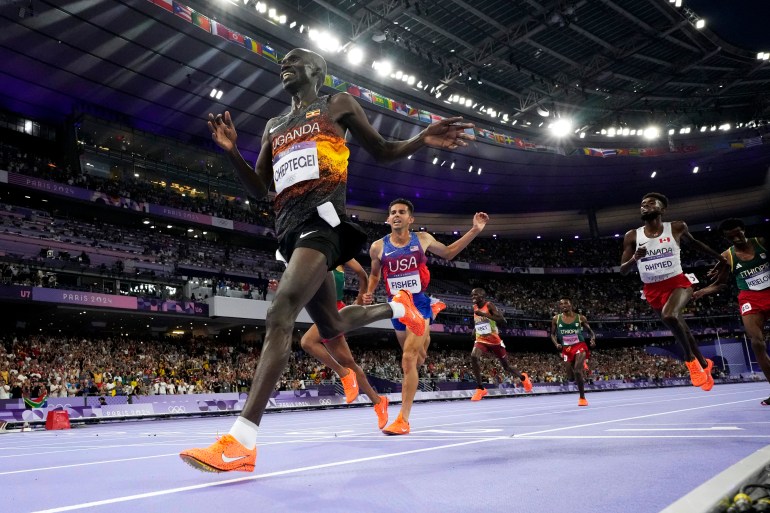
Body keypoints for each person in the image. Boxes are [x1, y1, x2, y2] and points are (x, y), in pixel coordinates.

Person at [180, 48, 475, 473]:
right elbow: (260, 187)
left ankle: (242, 441)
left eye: (294, 60)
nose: (284, 65)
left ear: (316, 70)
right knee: (332, 325)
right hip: (289, 232)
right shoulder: (274, 126)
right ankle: (399, 306)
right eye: (281, 61)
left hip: (324, 225)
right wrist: (232, 151)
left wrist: (420, 138)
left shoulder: (336, 104)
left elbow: (384, 149)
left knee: (280, 311)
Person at [365, 198, 488, 435]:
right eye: (393, 212)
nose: (397, 215)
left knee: (408, 360)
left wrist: (474, 230)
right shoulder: (377, 247)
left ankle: (403, 419)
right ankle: (432, 315)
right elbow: (374, 274)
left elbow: (450, 253)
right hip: (398, 307)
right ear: (388, 219)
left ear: (410, 219)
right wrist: (369, 292)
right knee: (419, 358)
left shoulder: (422, 239)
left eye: (402, 212)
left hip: (418, 303)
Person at [619, 192, 727, 392]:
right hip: (652, 289)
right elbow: (622, 270)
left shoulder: (676, 227)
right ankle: (705, 365)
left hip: (678, 282)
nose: (645, 207)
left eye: (651, 203)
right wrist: (634, 258)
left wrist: (720, 258)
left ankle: (690, 361)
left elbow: (695, 244)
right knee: (682, 329)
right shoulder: (632, 235)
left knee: (669, 315)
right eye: (642, 204)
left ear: (662, 209)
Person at [274, 258, 390, 429]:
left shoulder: (339, 255)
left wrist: (359, 301)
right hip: (321, 313)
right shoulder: (304, 261)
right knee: (348, 362)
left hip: (336, 311)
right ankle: (379, 401)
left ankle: (344, 375)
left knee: (307, 342)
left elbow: (362, 274)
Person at [693, 218, 770, 405]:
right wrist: (700, 292)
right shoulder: (727, 256)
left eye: (738, 233)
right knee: (757, 343)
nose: (736, 238)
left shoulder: (762, 242)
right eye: (731, 237)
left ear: (744, 230)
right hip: (750, 298)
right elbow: (720, 284)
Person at [468, 288, 532, 400]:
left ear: (482, 296)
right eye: (472, 295)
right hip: (481, 339)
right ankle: (480, 389)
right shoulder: (474, 307)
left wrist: (485, 314)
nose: (473, 297)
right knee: (473, 356)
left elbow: (502, 320)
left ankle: (523, 378)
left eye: (475, 295)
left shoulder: (489, 305)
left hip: (494, 341)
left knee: (506, 366)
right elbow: (479, 321)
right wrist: (475, 329)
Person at [550, 298, 596, 406]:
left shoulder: (580, 318)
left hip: (579, 345)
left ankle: (582, 398)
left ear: (571, 305)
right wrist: (556, 344)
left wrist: (593, 338)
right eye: (561, 304)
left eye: (566, 303)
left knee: (577, 371)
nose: (564, 305)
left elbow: (590, 332)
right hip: (566, 349)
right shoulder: (556, 319)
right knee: (570, 377)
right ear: (559, 307)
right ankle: (580, 365)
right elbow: (552, 334)